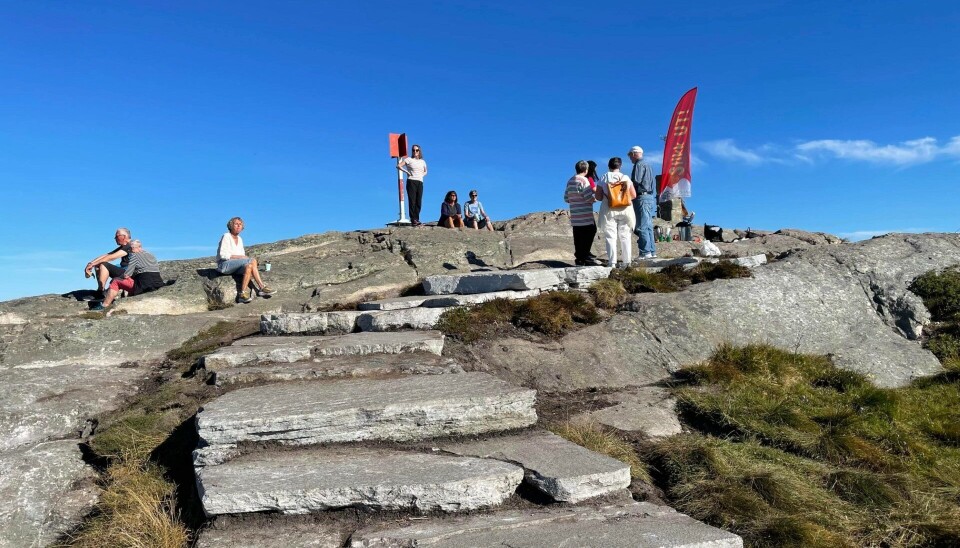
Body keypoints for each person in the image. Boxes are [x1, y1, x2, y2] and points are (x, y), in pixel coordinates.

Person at [216, 217, 276, 303]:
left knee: (249, 266)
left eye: (240, 225)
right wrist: (241, 257)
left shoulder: (240, 239)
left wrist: (244, 258)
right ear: (231, 226)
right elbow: (223, 255)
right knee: (252, 260)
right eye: (236, 224)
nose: (238, 226)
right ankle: (261, 287)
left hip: (234, 266)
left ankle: (242, 294)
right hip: (224, 264)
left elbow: (242, 256)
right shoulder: (226, 236)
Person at [92, 240, 164, 310]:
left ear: (139, 247)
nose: (131, 250)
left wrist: (114, 279)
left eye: (132, 248)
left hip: (143, 286)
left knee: (116, 281)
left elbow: (127, 274)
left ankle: (104, 306)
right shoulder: (150, 255)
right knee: (134, 279)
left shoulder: (134, 256)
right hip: (158, 283)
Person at [595, 157, 637, 268]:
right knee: (625, 236)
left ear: (609, 166)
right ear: (620, 166)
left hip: (609, 210)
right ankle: (627, 262)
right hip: (625, 210)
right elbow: (633, 195)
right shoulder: (625, 178)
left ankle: (612, 262)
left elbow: (598, 197)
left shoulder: (604, 177)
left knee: (611, 236)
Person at [564, 160, 601, 266]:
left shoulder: (570, 180)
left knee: (578, 236)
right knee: (590, 232)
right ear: (586, 169)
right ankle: (585, 257)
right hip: (585, 214)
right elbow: (588, 197)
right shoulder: (584, 181)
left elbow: (566, 198)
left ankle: (579, 258)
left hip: (575, 215)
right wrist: (595, 200)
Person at [84, 227, 134, 298]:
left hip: (130, 273)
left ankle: (100, 293)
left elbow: (111, 257)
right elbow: (107, 255)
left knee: (104, 265)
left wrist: (93, 264)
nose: (115, 239)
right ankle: (100, 290)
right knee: (99, 264)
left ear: (124, 236)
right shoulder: (124, 246)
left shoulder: (130, 245)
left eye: (117, 236)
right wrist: (90, 263)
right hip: (124, 270)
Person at [628, 145, 657, 259]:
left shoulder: (639, 165)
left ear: (634, 154)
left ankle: (645, 252)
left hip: (642, 197)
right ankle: (651, 251)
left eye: (630, 156)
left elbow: (636, 180)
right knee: (648, 225)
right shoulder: (648, 165)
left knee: (642, 225)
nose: (630, 158)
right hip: (650, 197)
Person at [397, 144, 428, 226]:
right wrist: (406, 172)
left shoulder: (422, 161)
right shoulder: (409, 159)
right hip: (411, 181)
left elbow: (426, 171)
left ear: (419, 151)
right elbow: (399, 166)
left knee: (419, 201)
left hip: (420, 182)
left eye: (417, 150)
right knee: (412, 201)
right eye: (413, 150)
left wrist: (422, 175)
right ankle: (413, 219)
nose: (415, 152)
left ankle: (417, 218)